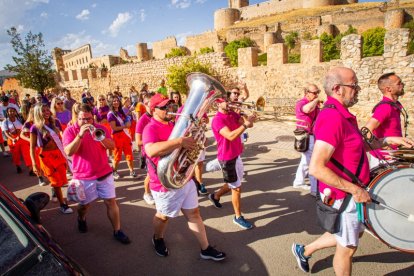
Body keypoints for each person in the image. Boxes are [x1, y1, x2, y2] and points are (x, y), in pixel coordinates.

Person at [291, 67, 414, 274]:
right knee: (347, 248)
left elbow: (357, 145)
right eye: (354, 85)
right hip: (345, 194)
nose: (358, 89)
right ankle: (305, 250)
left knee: (352, 236)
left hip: (352, 190)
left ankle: (304, 250)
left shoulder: (344, 115)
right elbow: (317, 167)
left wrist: (387, 140)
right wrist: (355, 190)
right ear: (338, 88)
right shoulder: (332, 118)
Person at [143, 93, 225, 260]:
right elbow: (151, 150)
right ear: (153, 110)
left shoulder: (174, 124)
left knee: (194, 213)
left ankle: (205, 248)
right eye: (164, 107)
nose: (169, 109)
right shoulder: (150, 128)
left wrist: (197, 138)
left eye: (169, 106)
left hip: (183, 177)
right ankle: (157, 238)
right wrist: (180, 141)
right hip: (164, 182)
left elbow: (186, 143)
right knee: (163, 216)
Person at [62, 104, 131, 244]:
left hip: (104, 173)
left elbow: (112, 146)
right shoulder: (70, 131)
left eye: (89, 119)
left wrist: (99, 137)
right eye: (83, 119)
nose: (87, 122)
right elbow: (69, 152)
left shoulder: (101, 128)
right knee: (84, 206)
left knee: (111, 202)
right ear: (77, 117)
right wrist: (80, 135)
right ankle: (81, 218)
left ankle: (117, 230)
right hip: (84, 177)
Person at [209, 97, 256, 230]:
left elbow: (249, 125)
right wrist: (245, 125)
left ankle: (215, 196)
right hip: (227, 157)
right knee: (237, 188)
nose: (229, 103)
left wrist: (249, 118)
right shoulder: (217, 120)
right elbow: (230, 136)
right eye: (226, 101)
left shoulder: (232, 114)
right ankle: (238, 217)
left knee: (235, 183)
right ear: (218, 103)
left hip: (236, 155)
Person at [30, 103, 73, 214]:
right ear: (38, 113)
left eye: (47, 110)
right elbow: (32, 147)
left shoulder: (56, 122)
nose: (46, 112)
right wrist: (34, 164)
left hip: (59, 154)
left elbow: (62, 137)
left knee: (62, 179)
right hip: (46, 158)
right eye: (43, 111)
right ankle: (63, 205)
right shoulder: (35, 127)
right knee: (56, 181)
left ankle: (54, 190)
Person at [364, 72, 407, 168]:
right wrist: (383, 146)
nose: (402, 85)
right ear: (389, 89)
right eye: (399, 83)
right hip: (383, 159)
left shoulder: (395, 105)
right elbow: (366, 130)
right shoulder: (385, 107)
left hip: (392, 155)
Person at [292, 84, 321, 194]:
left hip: (312, 136)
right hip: (306, 136)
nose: (316, 95)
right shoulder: (302, 103)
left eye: (318, 92)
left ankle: (298, 181)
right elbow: (307, 109)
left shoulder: (315, 105)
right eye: (314, 93)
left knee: (305, 161)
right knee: (312, 162)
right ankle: (314, 190)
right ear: (307, 93)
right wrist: (316, 100)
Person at [108, 97, 136, 178]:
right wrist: (125, 126)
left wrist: (128, 121)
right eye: (114, 101)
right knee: (117, 155)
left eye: (117, 100)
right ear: (111, 103)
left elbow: (125, 119)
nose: (116, 102)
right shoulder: (110, 114)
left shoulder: (120, 111)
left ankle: (132, 170)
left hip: (125, 135)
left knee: (129, 153)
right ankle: (114, 170)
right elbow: (114, 128)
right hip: (117, 136)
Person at [135, 94, 155, 205]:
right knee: (150, 175)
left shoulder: (158, 116)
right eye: (148, 103)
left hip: (160, 149)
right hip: (148, 152)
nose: (150, 105)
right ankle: (147, 193)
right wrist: (153, 141)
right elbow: (138, 141)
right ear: (144, 104)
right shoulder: (142, 120)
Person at [1, 107, 27, 173]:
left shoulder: (19, 119)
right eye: (10, 111)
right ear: (7, 113)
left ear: (15, 112)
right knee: (16, 154)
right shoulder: (5, 122)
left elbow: (24, 128)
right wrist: (13, 139)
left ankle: (30, 168)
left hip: (21, 138)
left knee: (26, 153)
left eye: (13, 111)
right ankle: (18, 166)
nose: (12, 112)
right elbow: (6, 133)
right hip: (12, 139)